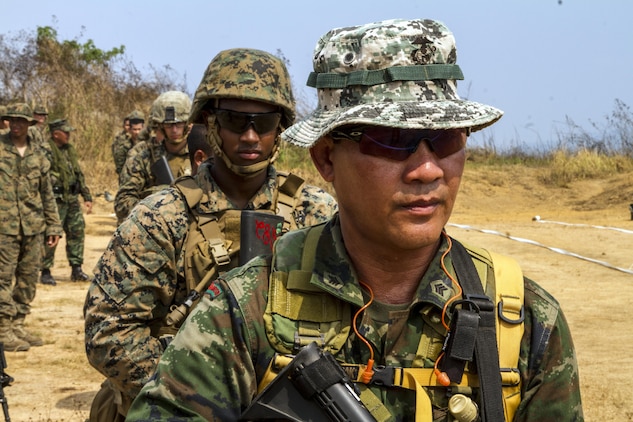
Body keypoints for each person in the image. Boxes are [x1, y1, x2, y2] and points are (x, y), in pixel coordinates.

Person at [126, 19, 583, 421]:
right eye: (391, 139)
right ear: (327, 157)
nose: (427, 170)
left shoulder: (524, 321)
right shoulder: (245, 310)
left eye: (446, 139)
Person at [84, 48, 338, 421]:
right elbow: (108, 334)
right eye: (235, 121)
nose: (250, 136)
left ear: (280, 128)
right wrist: (203, 390)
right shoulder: (160, 217)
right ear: (211, 122)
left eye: (264, 123)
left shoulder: (316, 212)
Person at [0, 103, 62, 351]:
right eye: (12, 120)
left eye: (21, 121)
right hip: (4, 227)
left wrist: (54, 226)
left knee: (27, 279)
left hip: (34, 226)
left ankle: (17, 324)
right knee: (3, 279)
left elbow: (46, 192)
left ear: (29, 124)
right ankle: (3, 330)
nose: (16, 125)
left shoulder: (38, 153)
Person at [113, 92, 192, 222]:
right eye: (168, 125)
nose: (174, 130)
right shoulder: (144, 156)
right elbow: (122, 203)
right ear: (160, 125)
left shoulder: (201, 153)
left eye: (179, 124)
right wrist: (157, 209)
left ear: (188, 124)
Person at [39, 119, 93, 286]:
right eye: (66, 132)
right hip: (55, 200)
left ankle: (76, 268)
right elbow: (42, 175)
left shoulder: (70, 150)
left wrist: (87, 196)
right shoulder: (46, 150)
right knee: (51, 235)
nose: (69, 135)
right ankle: (45, 270)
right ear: (56, 134)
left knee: (77, 232)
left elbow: (79, 174)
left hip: (72, 199)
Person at [112, 110, 145, 178]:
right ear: (130, 130)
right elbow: (120, 168)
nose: (137, 132)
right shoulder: (124, 146)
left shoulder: (149, 144)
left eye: (139, 129)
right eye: (134, 129)